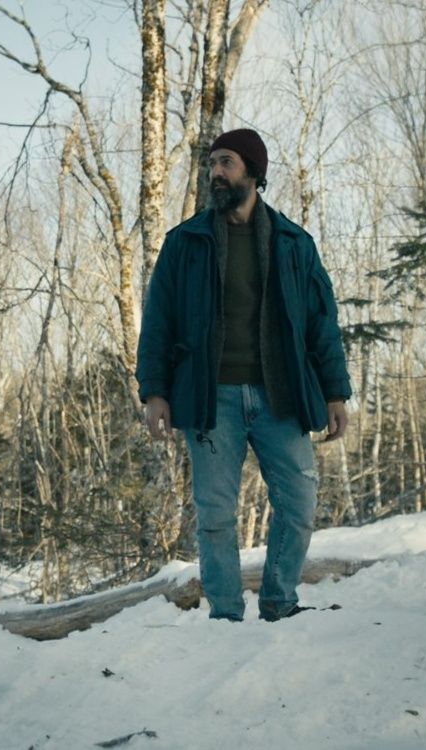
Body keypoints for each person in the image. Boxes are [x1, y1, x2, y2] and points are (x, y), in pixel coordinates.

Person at [137, 128, 351, 622]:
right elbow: (158, 322)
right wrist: (154, 392)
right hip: (211, 400)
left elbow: (322, 322)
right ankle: (226, 615)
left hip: (282, 396)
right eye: (212, 163)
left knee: (298, 504)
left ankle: (279, 602)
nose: (215, 172)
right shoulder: (184, 243)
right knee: (215, 516)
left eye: (226, 162)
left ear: (253, 172)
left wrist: (336, 393)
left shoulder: (295, 244)